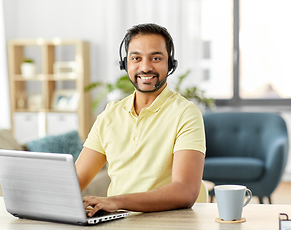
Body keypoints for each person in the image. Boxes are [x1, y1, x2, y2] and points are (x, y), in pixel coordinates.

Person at [75, 23, 206, 217]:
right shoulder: (109, 115)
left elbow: (185, 191)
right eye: (136, 58)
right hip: (118, 224)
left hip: (169, 224)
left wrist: (115, 202)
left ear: (170, 64)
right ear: (125, 64)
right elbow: (76, 179)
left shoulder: (186, 113)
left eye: (155, 58)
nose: (145, 67)